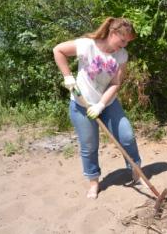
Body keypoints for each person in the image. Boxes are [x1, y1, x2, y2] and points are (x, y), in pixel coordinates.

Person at [53, 17, 141, 199]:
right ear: (113, 33)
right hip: (81, 105)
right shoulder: (87, 45)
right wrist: (67, 77)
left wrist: (101, 104)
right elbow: (58, 50)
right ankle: (94, 183)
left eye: (127, 42)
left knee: (127, 136)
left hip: (108, 104)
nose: (124, 45)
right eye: (123, 40)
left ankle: (136, 171)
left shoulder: (121, 55)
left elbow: (116, 83)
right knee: (89, 145)